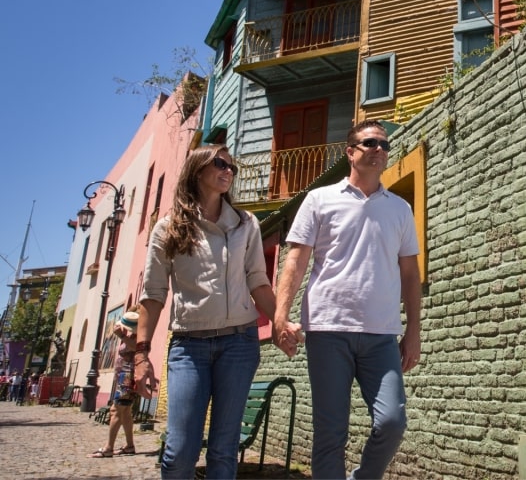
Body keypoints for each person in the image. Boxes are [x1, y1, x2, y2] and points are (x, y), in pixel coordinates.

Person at [274, 119, 422, 479]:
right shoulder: (319, 199)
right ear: (351, 151)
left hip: (381, 334)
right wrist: (280, 316)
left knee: (392, 420)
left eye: (385, 145)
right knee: (331, 431)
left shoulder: (400, 209)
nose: (379, 150)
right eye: (370, 143)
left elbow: (409, 274)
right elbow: (295, 259)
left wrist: (414, 330)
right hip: (328, 329)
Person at [135, 144, 277, 479]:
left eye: (231, 167)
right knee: (180, 452)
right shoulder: (168, 228)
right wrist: (141, 354)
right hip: (189, 347)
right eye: (219, 164)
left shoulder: (246, 224)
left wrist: (281, 323)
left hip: (240, 344)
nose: (228, 170)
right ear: (197, 170)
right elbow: (153, 295)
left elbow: (258, 281)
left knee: (224, 451)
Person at [89, 307, 141, 458]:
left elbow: (136, 348)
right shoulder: (131, 334)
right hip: (124, 376)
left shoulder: (138, 336)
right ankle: (129, 446)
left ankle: (108, 448)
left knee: (116, 411)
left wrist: (122, 337)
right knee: (125, 413)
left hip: (127, 377)